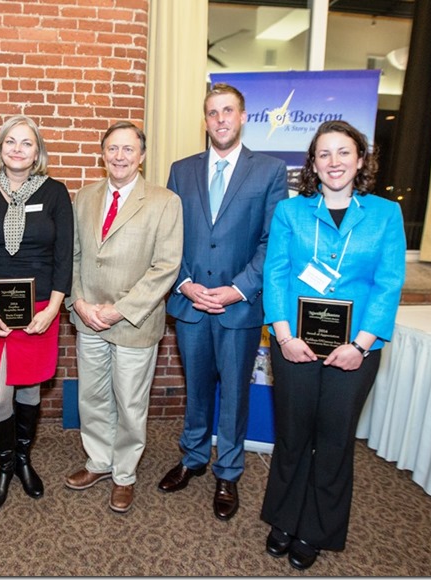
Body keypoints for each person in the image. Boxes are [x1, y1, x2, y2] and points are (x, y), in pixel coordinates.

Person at [259, 120, 406, 570]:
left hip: (355, 350)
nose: (334, 162)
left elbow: (388, 284)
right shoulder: (291, 213)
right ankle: (284, 518)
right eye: (324, 154)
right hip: (295, 345)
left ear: (361, 160)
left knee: (335, 440)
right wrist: (283, 336)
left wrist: (360, 345)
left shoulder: (384, 214)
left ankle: (317, 528)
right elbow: (276, 275)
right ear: (313, 164)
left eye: (344, 153)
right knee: (293, 434)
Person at [158, 83, 288, 521]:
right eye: (212, 113)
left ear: (243, 115)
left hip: (240, 306)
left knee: (234, 394)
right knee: (196, 390)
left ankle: (228, 471)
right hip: (191, 304)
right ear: (205, 120)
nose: (220, 120)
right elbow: (169, 238)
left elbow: (274, 242)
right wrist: (185, 283)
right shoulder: (181, 170)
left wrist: (238, 288)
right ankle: (193, 458)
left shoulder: (269, 171)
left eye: (228, 111)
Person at [65, 121, 183, 513]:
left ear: (142, 156)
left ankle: (124, 474)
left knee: (130, 403)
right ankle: (99, 461)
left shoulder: (165, 201)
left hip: (133, 321)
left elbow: (166, 267)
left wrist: (119, 310)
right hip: (88, 318)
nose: (119, 156)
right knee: (93, 397)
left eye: (128, 149)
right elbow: (75, 257)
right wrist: (79, 303)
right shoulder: (84, 197)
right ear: (102, 154)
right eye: (112, 149)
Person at [0, 115, 73, 510]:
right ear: (0, 147)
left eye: (27, 143)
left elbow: (64, 258)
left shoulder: (56, 192)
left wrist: (54, 310)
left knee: (28, 387)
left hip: (42, 306)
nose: (18, 149)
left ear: (37, 152)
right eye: (11, 141)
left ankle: (24, 460)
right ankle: (4, 464)